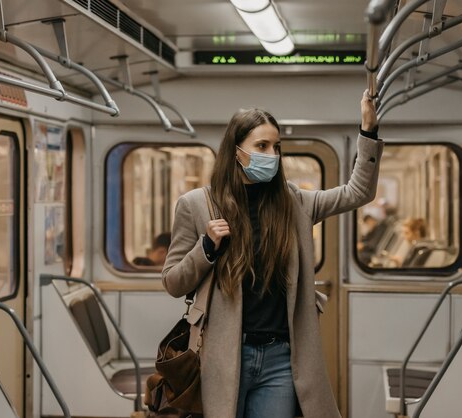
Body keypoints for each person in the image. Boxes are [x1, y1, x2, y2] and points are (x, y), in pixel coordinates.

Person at [161, 90, 382, 418]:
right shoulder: (196, 205)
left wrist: (368, 130)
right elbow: (173, 282)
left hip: (280, 358)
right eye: (261, 146)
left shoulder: (295, 203)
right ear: (236, 152)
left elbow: (358, 192)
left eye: (276, 147)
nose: (272, 154)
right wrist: (205, 248)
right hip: (224, 356)